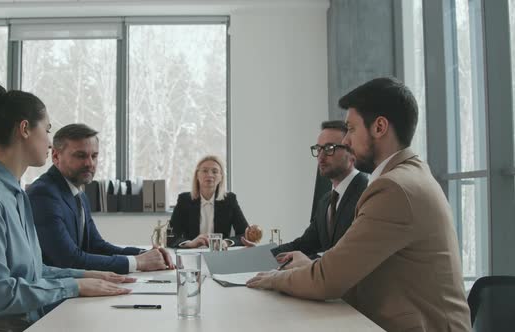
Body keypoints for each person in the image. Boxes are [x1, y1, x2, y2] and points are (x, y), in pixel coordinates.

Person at [247, 77, 471, 331]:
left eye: (351, 129)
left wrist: (275, 279)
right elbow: (346, 271)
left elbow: (327, 280)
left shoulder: (394, 188)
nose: (346, 141)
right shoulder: (410, 174)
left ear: (379, 127)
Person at [0, 81, 134, 332]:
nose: (51, 142)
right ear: (25, 129)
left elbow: (32, 273)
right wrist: (75, 286)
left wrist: (86, 276)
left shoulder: (16, 193)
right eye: (48, 130)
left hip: (17, 322)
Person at [27, 124, 174, 274]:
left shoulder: (79, 194)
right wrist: (137, 262)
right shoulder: (44, 194)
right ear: (56, 157)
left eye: (94, 156)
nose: (89, 163)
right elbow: (68, 260)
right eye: (80, 156)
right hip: (58, 293)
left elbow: (96, 246)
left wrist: (144, 254)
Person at [269, 120, 368, 260]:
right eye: (318, 149)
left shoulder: (367, 192)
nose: (321, 156)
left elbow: (354, 255)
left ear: (352, 152)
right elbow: (304, 244)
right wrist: (262, 255)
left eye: (329, 148)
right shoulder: (326, 201)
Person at [168, 155, 249, 248]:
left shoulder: (230, 200)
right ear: (197, 175)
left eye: (215, 171)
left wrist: (227, 242)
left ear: (221, 177)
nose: (209, 175)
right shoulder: (184, 200)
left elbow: (245, 234)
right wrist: (190, 243)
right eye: (205, 171)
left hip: (219, 255)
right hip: (192, 254)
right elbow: (170, 236)